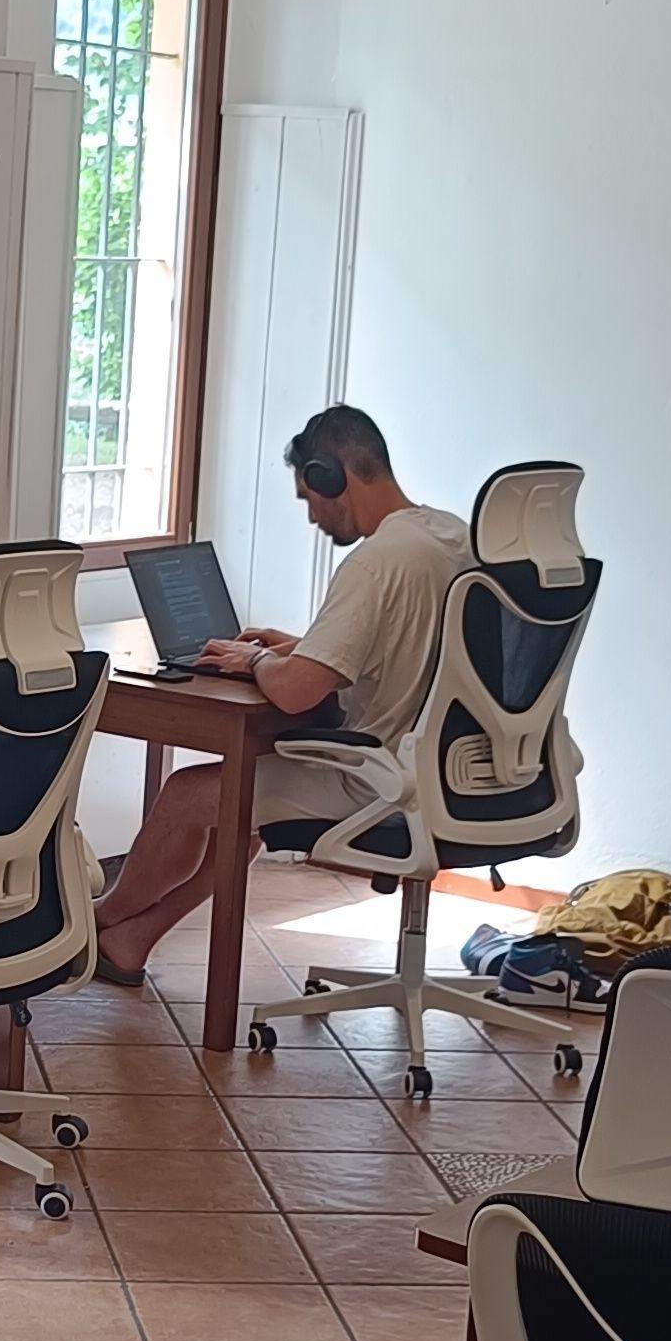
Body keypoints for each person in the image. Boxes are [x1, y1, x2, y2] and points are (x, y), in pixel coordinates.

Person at [92, 404, 470, 982]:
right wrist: (304, 645)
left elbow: (294, 696)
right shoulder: (449, 539)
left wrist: (261, 659)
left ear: (329, 476)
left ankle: (98, 921)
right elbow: (408, 640)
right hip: (449, 775)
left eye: (309, 498)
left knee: (190, 794)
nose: (314, 517)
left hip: (379, 780)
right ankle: (131, 941)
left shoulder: (375, 563)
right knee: (239, 806)